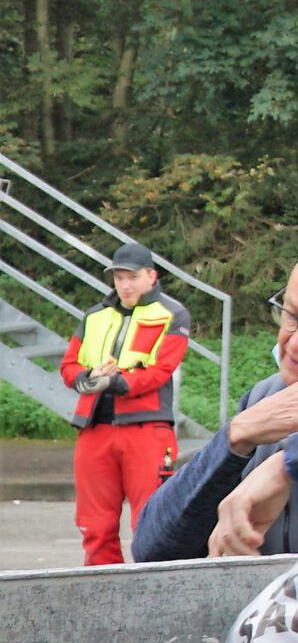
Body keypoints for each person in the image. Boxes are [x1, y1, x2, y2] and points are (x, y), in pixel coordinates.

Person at [134, 230, 298, 561]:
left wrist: (288, 464)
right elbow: (152, 549)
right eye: (291, 315)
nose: (296, 343)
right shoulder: (265, 399)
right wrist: (235, 436)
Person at [62, 240, 190, 565]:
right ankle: (102, 598)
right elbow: (69, 366)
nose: (125, 285)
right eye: (119, 278)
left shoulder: (172, 314)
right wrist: (87, 378)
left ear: (152, 276)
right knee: (95, 526)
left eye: (131, 277)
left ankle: (151, 599)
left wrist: (116, 382)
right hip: (94, 430)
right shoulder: (95, 316)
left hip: (146, 429)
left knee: (150, 523)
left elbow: (161, 371)